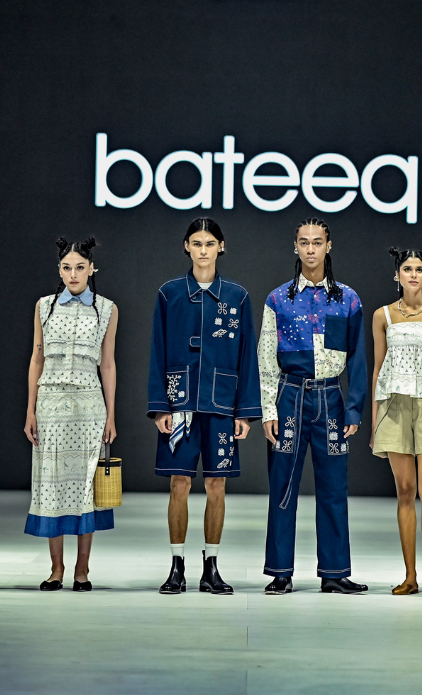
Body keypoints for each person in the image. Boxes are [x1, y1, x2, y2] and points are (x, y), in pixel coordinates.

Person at [147, 217, 260, 595]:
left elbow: (247, 355)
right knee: (179, 483)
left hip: (222, 404)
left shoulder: (237, 297)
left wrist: (245, 411)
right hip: (179, 402)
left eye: (210, 243)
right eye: (196, 243)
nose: (203, 250)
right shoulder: (169, 294)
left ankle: (211, 566)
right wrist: (160, 407)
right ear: (186, 247)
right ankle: (176, 566)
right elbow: (157, 351)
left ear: (221, 247)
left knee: (216, 484)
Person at [258, 218, 369, 595]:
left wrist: (354, 408)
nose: (310, 249)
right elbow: (265, 358)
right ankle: (280, 571)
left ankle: (334, 572)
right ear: (295, 246)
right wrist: (269, 410)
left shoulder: (348, 299)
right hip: (289, 396)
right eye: (304, 242)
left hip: (331, 399)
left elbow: (357, 358)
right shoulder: (278, 299)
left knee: (335, 486)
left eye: (317, 242)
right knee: (283, 484)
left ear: (328, 246)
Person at [23, 237, 119, 592]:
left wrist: (111, 415)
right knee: (51, 482)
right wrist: (30, 409)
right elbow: (36, 359)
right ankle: (56, 569)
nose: (73, 274)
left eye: (80, 267)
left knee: (85, 486)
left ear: (92, 268)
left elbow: (107, 364)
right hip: (49, 405)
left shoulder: (106, 308)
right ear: (59, 270)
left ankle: (82, 569)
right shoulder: (44, 306)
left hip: (89, 406)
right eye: (67, 267)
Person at [368, 247, 422, 598]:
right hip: (394, 405)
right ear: (397, 275)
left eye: (419, 269)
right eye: (407, 269)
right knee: (405, 490)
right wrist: (374, 419)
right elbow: (378, 367)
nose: (414, 274)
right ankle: (410, 577)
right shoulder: (383, 315)